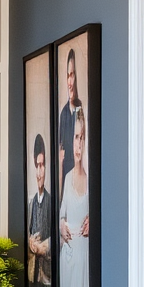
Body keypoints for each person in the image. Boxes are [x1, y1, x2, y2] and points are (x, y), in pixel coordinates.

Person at [58, 107, 90, 287]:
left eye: (82, 137)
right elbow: (60, 213)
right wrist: (61, 224)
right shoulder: (67, 178)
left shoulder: (92, 182)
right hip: (67, 259)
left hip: (84, 258)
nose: (78, 144)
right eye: (75, 137)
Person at [27, 132, 52, 287]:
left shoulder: (52, 202)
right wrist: (30, 243)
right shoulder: (32, 203)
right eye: (37, 166)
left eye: (42, 166)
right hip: (32, 278)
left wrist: (45, 247)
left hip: (48, 278)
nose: (39, 172)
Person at [58, 47, 82, 194]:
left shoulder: (81, 113)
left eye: (72, 75)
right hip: (67, 189)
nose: (69, 82)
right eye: (68, 76)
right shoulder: (63, 115)